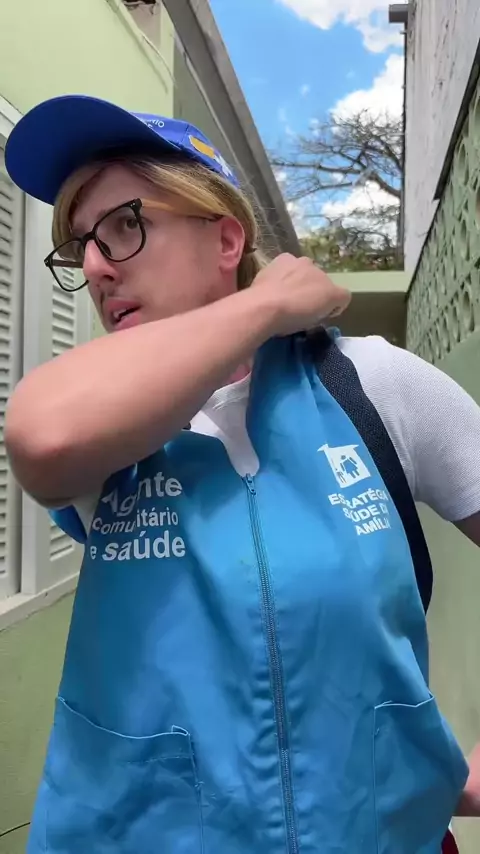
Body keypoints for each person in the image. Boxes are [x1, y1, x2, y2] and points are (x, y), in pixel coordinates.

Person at [4, 94, 480, 854]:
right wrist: (266, 306)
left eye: (124, 225)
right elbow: (42, 436)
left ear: (226, 238)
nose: (94, 266)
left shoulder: (370, 383)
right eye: (79, 246)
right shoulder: (99, 417)